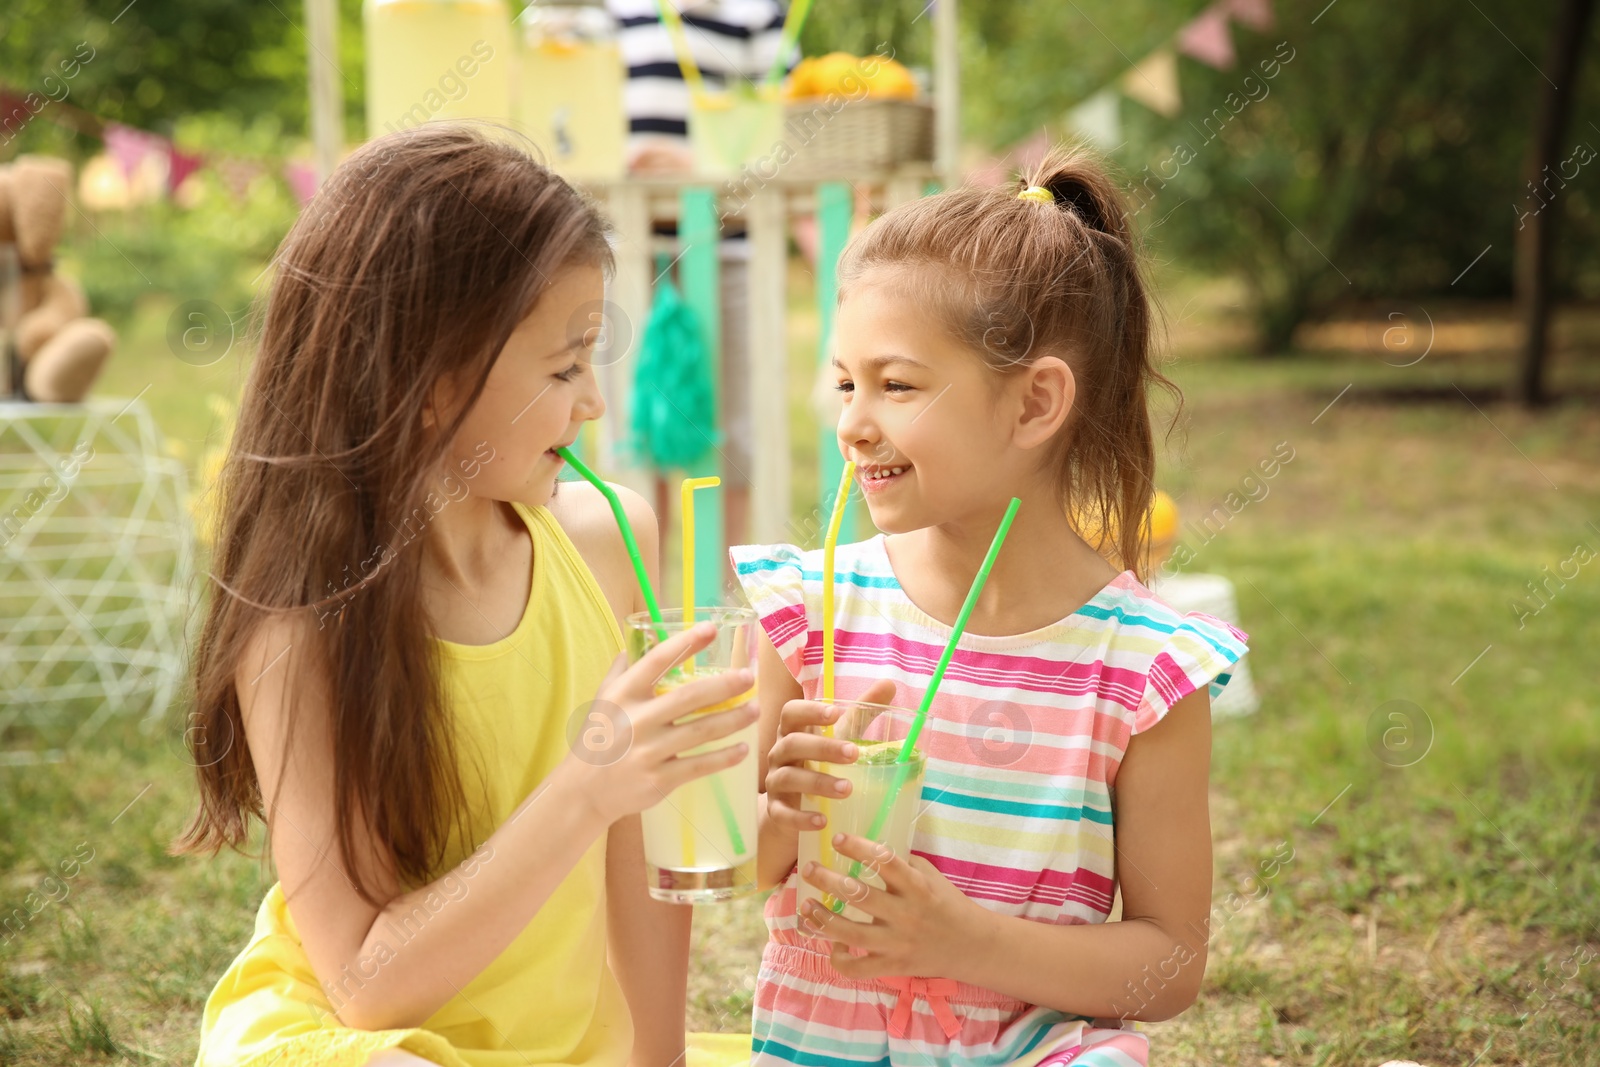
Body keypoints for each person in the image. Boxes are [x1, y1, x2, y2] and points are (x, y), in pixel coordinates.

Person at [173, 122, 760, 1067]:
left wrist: (661, 1059)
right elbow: (363, 986)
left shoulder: (609, 546)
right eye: (565, 367)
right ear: (435, 381)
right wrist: (585, 787)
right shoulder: (299, 627)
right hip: (353, 1038)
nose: (593, 403)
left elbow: (633, 862)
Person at [728, 144, 1251, 1067]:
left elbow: (1168, 965)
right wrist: (777, 810)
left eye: (896, 384)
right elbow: (748, 864)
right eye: (846, 382)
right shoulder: (807, 613)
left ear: (1035, 403)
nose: (852, 419)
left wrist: (965, 942)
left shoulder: (1143, 672)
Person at [606, 0, 795, 548]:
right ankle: (648, 606)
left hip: (726, 247)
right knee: (639, 432)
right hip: (632, 248)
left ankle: (720, 606)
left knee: (729, 431)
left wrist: (705, 174)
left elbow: (787, 133)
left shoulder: (757, 15)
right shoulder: (615, 12)